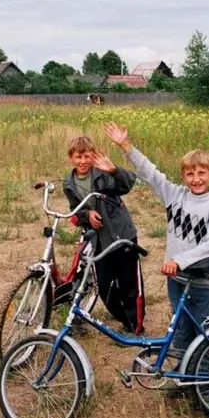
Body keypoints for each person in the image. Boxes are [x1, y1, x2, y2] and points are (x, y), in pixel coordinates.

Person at [102, 122, 209, 354]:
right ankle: (182, 380)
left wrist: (180, 260)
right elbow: (150, 173)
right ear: (183, 176)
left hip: (205, 285)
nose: (196, 179)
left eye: (202, 173)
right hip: (177, 281)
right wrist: (125, 146)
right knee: (180, 331)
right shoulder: (175, 196)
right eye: (190, 173)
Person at [63, 135, 145, 335]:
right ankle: (125, 319)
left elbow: (128, 184)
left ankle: (136, 327)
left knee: (129, 285)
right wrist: (87, 214)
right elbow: (75, 210)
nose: (83, 161)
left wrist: (114, 170)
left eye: (87, 156)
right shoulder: (69, 182)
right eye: (78, 157)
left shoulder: (104, 173)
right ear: (71, 158)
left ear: (93, 156)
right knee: (104, 287)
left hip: (121, 236)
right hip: (98, 240)